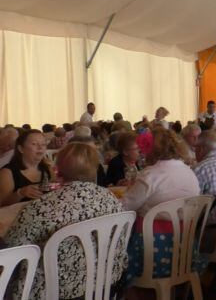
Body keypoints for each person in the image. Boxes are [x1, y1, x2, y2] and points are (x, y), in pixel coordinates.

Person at [4, 143, 125, 299]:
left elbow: (12, 249)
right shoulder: (111, 198)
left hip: (54, 291)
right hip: (106, 282)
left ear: (58, 169)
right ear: (95, 168)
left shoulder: (41, 207)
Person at [122, 127, 200, 215]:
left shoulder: (149, 175)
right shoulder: (189, 172)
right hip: (187, 227)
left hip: (150, 228)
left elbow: (125, 206)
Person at [0, 130, 52, 207]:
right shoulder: (7, 172)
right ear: (21, 149)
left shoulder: (47, 168)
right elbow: (2, 204)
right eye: (34, 144)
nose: (40, 147)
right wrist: (20, 193)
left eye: (43, 144)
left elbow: (54, 187)